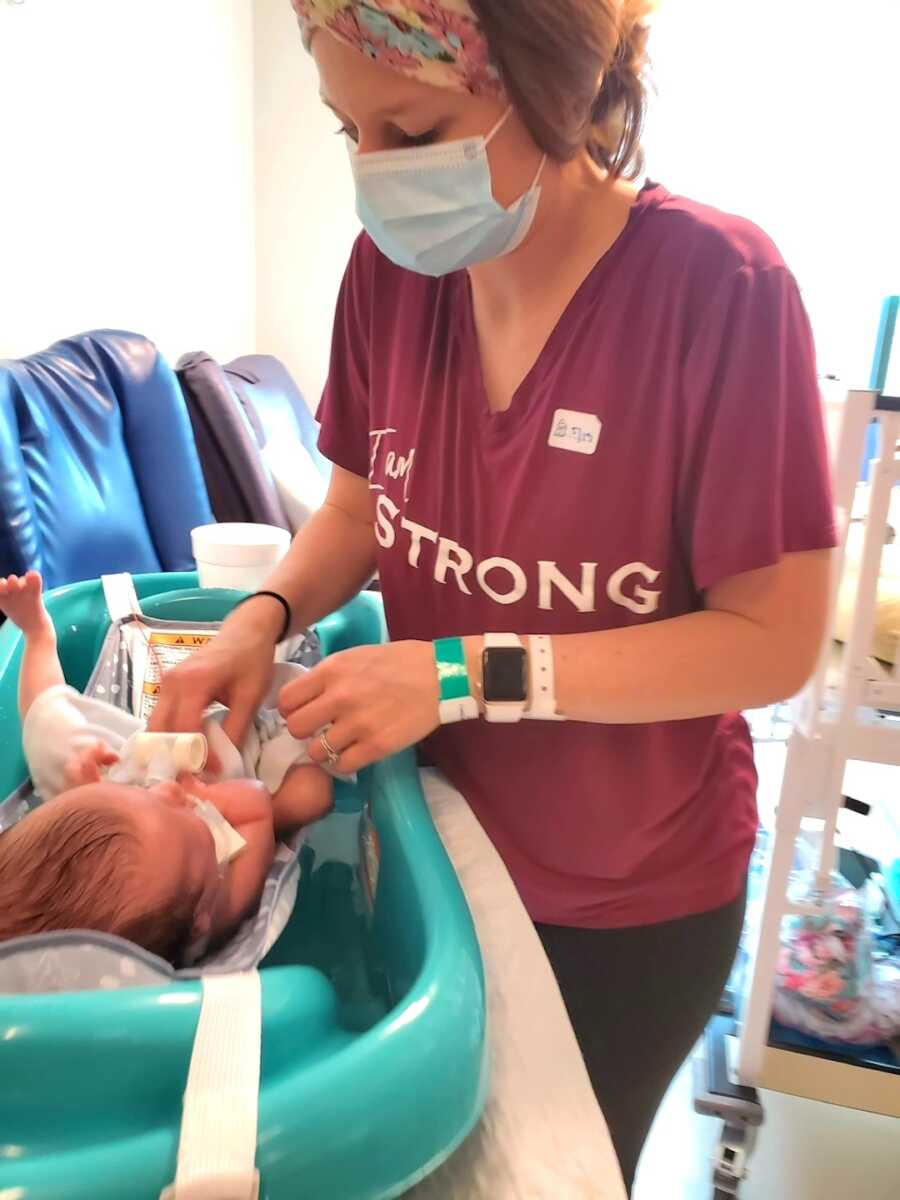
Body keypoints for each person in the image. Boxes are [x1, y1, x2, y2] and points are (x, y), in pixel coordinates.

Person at [152, 0, 836, 1187]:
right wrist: (263, 619)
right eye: (345, 130)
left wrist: (462, 675)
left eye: (410, 129)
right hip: (443, 843)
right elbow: (360, 513)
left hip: (626, 899)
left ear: (550, 87)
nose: (373, 173)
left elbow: (769, 644)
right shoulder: (389, 277)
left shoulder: (721, 289)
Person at [0, 571, 332, 964]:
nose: (168, 790)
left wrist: (91, 790)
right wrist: (204, 796)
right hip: (239, 778)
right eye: (174, 807)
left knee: (54, 734)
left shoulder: (155, 851)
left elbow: (109, 834)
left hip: (136, 775)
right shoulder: (223, 900)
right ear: (200, 918)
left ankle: (39, 635)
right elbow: (255, 807)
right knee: (309, 796)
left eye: (160, 798)